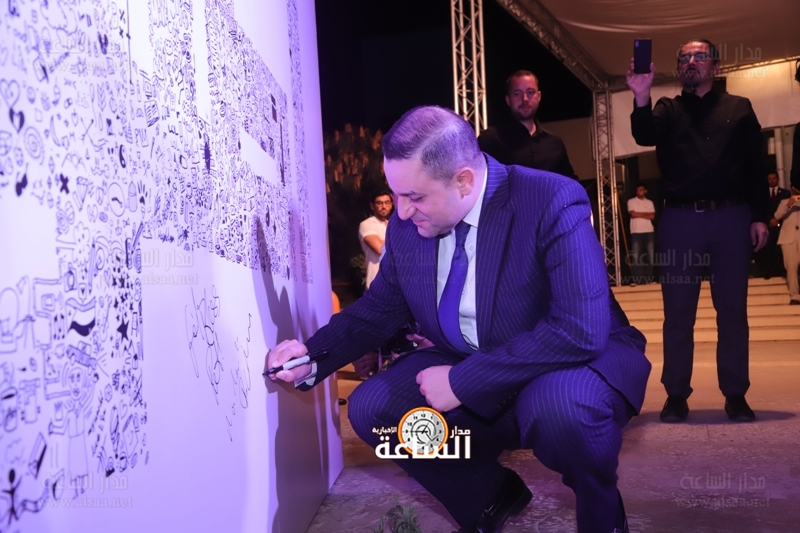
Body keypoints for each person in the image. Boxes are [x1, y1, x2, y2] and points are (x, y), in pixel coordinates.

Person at [267, 106, 650, 533]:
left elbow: (579, 329)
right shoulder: (407, 228)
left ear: (464, 180)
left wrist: (463, 381)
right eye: (396, 195)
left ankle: (602, 514)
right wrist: (311, 355)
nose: (402, 212)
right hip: (470, 354)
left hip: (566, 362)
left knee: (562, 409)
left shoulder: (550, 199)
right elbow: (378, 309)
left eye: (415, 197)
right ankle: (490, 497)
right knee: (374, 408)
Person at [627, 39, 770, 424]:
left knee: (732, 311)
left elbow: (756, 166)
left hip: (731, 218)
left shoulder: (740, 107)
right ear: (679, 68)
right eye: (685, 57)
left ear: (716, 67)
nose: (691, 61)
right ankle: (676, 395)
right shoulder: (667, 108)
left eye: (700, 56)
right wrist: (640, 95)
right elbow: (644, 135)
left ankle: (736, 394)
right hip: (680, 221)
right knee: (677, 313)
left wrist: (759, 216)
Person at [478, 70, 577, 178]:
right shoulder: (490, 139)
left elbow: (570, 183)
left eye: (530, 92)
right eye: (517, 94)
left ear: (539, 96)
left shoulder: (555, 142)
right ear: (508, 100)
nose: (525, 99)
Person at [753, 171, 791, 279]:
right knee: (767, 248)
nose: (772, 181)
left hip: (781, 226)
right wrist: (769, 220)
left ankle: (782, 271)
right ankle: (768, 271)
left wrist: (777, 220)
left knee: (780, 249)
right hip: (767, 225)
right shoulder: (762, 194)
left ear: (778, 179)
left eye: (774, 178)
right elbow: (762, 208)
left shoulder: (785, 193)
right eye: (769, 179)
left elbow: (787, 209)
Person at [358, 190, 393, 288]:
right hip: (376, 284)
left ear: (391, 205)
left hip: (393, 285)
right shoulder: (367, 224)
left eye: (387, 202)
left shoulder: (391, 225)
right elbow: (380, 249)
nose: (384, 206)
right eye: (379, 203)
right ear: (372, 206)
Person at [627, 184, 656, 285]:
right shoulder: (631, 201)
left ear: (645, 191)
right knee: (636, 257)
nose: (639, 192)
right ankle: (636, 280)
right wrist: (645, 214)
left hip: (649, 231)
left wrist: (639, 214)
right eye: (637, 190)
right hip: (636, 231)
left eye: (641, 190)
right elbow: (633, 214)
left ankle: (649, 279)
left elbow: (652, 216)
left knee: (650, 256)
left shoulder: (649, 202)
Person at [775, 187, 800, 305]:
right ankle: (795, 296)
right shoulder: (784, 202)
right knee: (791, 267)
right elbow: (777, 216)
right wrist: (789, 204)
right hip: (788, 238)